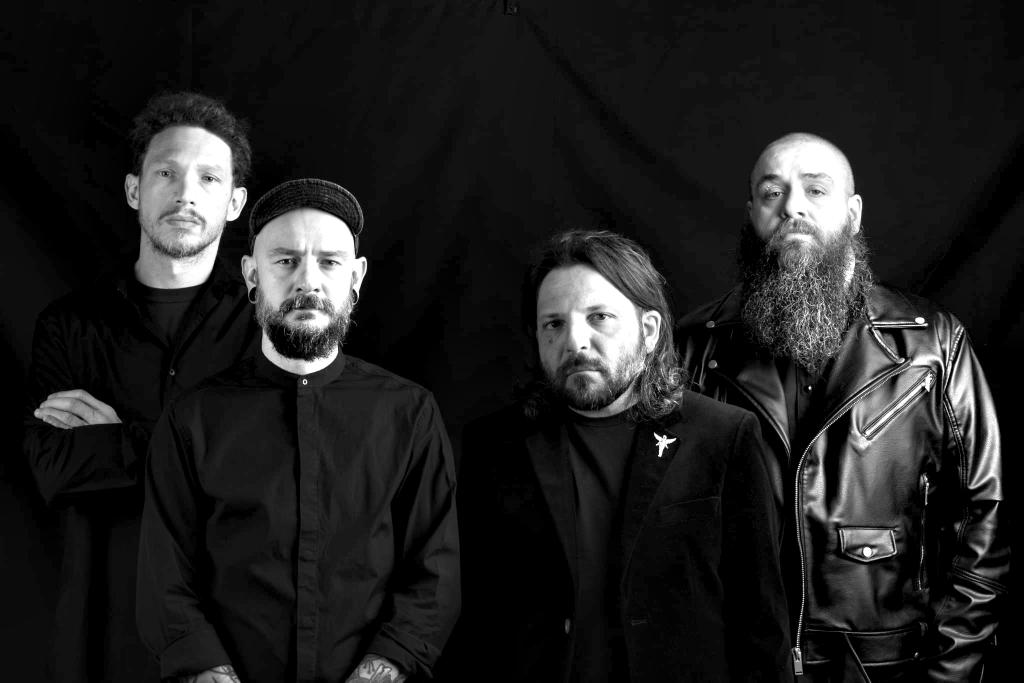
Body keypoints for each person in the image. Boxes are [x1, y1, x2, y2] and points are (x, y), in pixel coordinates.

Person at [676, 132, 1008, 680]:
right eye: (772, 193)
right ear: (752, 215)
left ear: (853, 215)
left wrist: (952, 673)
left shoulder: (933, 346)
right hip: (740, 665)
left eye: (815, 190)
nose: (792, 208)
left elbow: (985, 518)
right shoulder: (695, 347)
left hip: (888, 668)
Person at [136, 178, 460, 683]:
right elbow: (166, 579)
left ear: (355, 277)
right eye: (286, 261)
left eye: (329, 262)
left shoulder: (410, 414)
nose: (308, 282)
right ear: (252, 275)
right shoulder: (192, 419)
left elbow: (434, 574)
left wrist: (378, 673)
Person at [453, 229, 791, 682]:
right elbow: (472, 616)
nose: (575, 341)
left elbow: (761, 625)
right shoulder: (493, 446)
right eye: (554, 324)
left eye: (600, 317)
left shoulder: (723, 437)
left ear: (648, 330)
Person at [22, 91, 258, 683]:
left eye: (208, 178)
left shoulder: (262, 328)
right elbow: (52, 467)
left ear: (234, 202)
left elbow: (267, 471)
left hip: (234, 642)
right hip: (105, 632)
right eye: (166, 173)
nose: (185, 194)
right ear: (134, 190)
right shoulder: (70, 326)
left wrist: (117, 440)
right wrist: (201, 451)